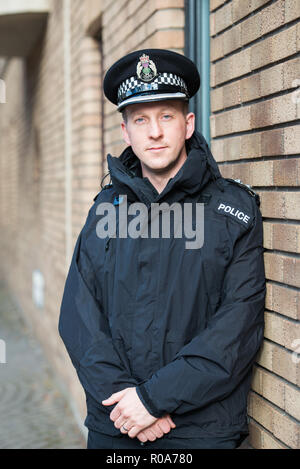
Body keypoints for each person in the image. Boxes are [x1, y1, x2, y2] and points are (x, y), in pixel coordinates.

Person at [58, 49, 266, 449]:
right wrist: (127, 402)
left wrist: (153, 400)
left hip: (201, 431)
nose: (154, 132)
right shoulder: (105, 211)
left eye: (166, 117)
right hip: (115, 425)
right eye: (141, 120)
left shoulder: (232, 212)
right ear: (126, 132)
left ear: (188, 124)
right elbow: (79, 317)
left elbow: (237, 327)